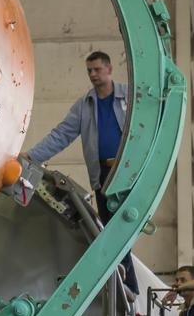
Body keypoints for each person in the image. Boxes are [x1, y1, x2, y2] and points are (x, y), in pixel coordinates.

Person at [25, 51, 138, 298]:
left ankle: (128, 284)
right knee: (109, 231)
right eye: (89, 71)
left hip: (126, 171)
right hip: (103, 174)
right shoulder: (85, 105)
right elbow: (62, 135)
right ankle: (125, 284)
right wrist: (32, 157)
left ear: (109, 69)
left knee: (120, 230)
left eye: (97, 69)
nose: (93, 75)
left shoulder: (129, 95)